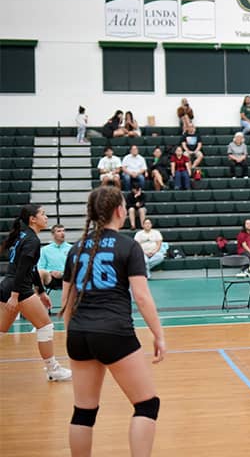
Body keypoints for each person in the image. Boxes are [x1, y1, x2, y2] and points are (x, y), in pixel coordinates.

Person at [61, 185, 165, 456]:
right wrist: (159, 335)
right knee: (146, 405)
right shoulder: (128, 246)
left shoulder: (76, 249)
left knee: (84, 411)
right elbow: (141, 298)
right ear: (120, 211)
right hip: (114, 332)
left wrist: (73, 336)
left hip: (79, 333)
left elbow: (66, 303)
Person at [0, 204, 71, 381]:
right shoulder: (32, 240)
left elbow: (31, 269)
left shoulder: (23, 236)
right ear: (33, 219)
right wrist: (16, 296)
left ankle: (53, 369)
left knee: (1, 330)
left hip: (9, 285)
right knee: (46, 326)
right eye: (43, 214)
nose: (46, 218)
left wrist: (40, 292)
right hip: (19, 288)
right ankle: (53, 369)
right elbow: (24, 269)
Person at [38, 223, 72, 298]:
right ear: (53, 234)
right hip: (51, 278)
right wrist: (51, 272)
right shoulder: (44, 250)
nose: (62, 233)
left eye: (63, 231)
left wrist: (63, 273)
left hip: (67, 277)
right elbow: (40, 267)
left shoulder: (71, 249)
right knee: (40, 272)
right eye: (59, 231)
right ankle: (40, 299)